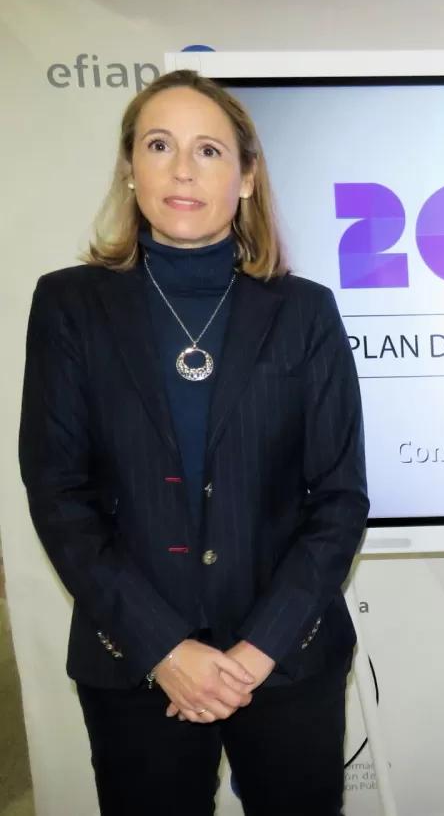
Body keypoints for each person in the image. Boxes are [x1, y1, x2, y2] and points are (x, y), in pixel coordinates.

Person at [19, 69, 368, 815]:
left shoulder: (305, 312)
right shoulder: (69, 305)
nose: (182, 169)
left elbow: (339, 499)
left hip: (286, 659)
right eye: (159, 145)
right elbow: (58, 494)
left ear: (245, 178)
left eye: (208, 150)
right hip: (135, 663)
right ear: (130, 168)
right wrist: (165, 648)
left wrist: (256, 652)